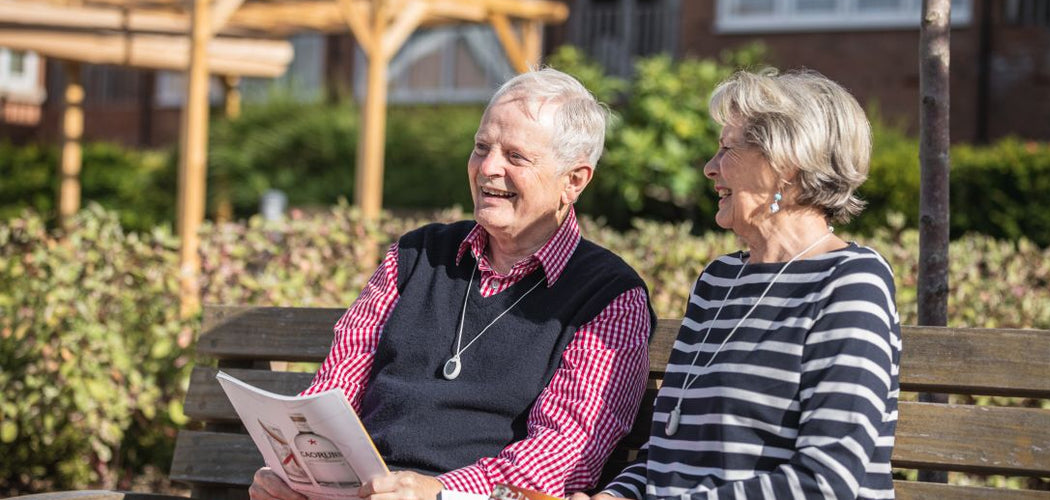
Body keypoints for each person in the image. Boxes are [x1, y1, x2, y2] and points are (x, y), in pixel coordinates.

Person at [250, 68, 655, 500]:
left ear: (573, 181)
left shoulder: (610, 297)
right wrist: (297, 470)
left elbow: (560, 459)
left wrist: (438, 491)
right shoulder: (416, 254)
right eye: (481, 147)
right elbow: (335, 389)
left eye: (515, 156)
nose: (488, 168)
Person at [575, 68, 901, 500]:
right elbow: (669, 452)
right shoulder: (719, 281)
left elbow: (827, 480)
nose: (710, 168)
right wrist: (616, 496)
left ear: (786, 164)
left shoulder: (850, 282)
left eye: (727, 149)